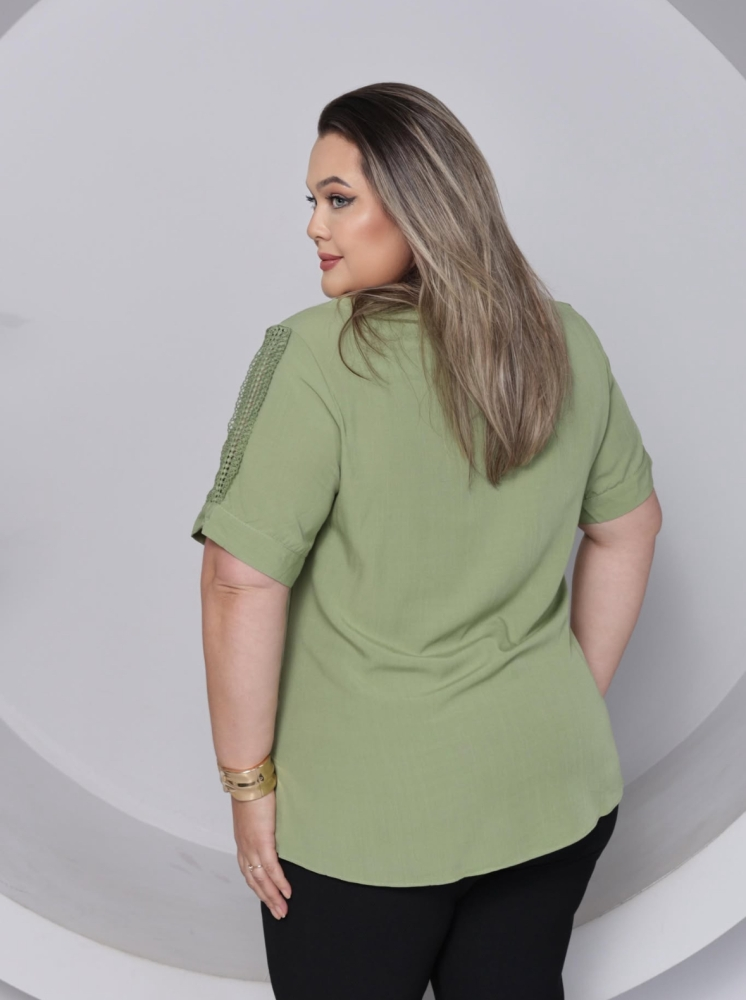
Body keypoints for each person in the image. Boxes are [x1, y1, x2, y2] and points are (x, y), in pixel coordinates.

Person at [190, 82, 662, 1000]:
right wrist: (562, 698)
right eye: (313, 201)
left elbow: (238, 582)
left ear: (418, 203)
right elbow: (629, 529)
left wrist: (249, 790)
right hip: (548, 788)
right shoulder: (564, 339)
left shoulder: (314, 356)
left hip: (368, 831)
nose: (315, 226)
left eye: (339, 199)